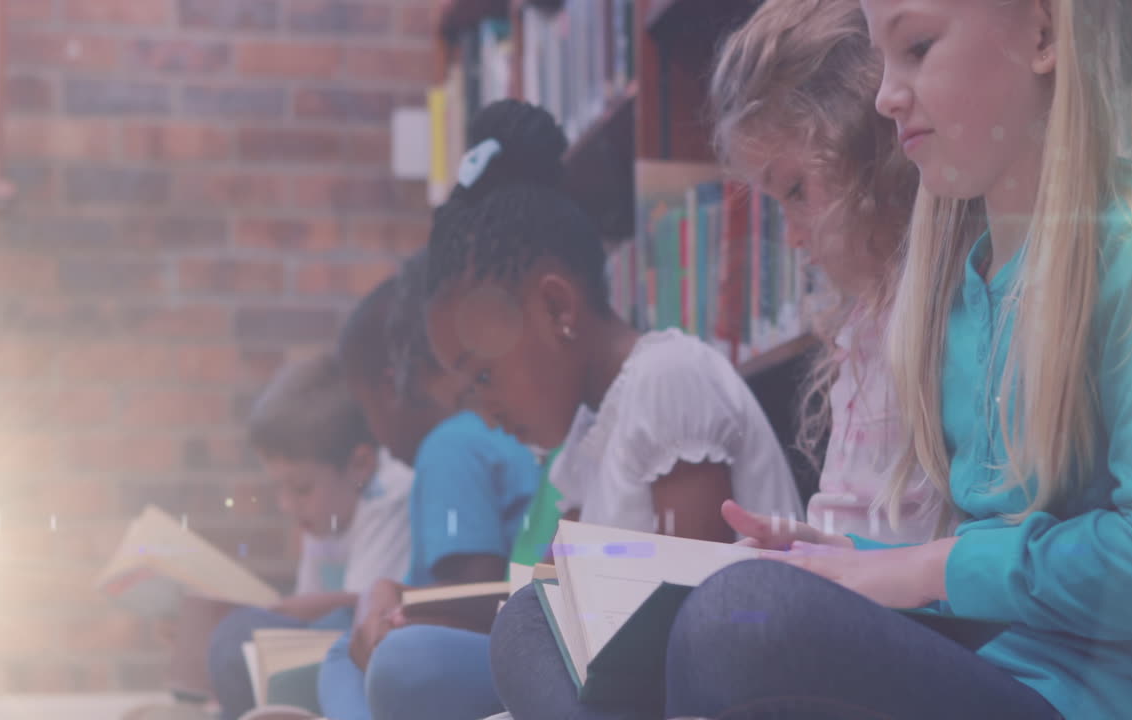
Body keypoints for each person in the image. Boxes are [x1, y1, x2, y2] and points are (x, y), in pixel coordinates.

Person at [661, 1, 1132, 718]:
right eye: (883, 60)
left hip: (1101, 700)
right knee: (549, 633)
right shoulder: (956, 289)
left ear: (1044, 33)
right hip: (992, 664)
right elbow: (980, 564)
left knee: (739, 620)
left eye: (917, 46)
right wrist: (843, 559)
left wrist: (925, 567)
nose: (886, 95)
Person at [429, 99, 804, 720]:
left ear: (557, 309)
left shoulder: (669, 378)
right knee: (432, 660)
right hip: (617, 688)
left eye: (485, 376)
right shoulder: (584, 441)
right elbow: (552, 606)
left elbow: (678, 632)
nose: (488, 415)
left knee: (493, 647)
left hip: (703, 695)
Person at [709, 0, 941, 543]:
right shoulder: (861, 330)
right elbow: (858, 532)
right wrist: (811, 550)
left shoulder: (949, 312)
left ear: (869, 147)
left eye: (796, 191)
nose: (791, 237)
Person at [317, 254, 539, 720]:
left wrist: (400, 614)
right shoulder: (495, 434)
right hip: (518, 636)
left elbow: (473, 582)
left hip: (497, 645)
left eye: (366, 409)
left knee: (346, 655)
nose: (374, 435)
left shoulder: (448, 448)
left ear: (392, 385)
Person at [207, 353, 413, 720]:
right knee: (234, 639)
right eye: (279, 489)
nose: (287, 505)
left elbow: (362, 612)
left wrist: (278, 610)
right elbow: (309, 605)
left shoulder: (390, 498)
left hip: (367, 659)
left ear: (360, 465)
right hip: (328, 649)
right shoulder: (326, 513)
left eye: (301, 489)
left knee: (241, 634)